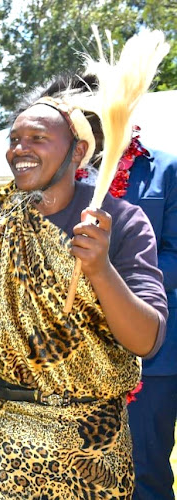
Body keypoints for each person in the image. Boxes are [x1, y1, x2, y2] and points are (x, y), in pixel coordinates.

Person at [0, 76, 168, 497]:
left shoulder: (122, 221)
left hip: (96, 446)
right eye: (14, 139)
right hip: (8, 440)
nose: (19, 149)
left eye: (37, 138)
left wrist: (100, 271)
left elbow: (146, 340)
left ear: (77, 150)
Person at [119, 138, 177, 498]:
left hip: (150, 359)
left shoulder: (165, 169)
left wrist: (114, 284)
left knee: (144, 474)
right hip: (72, 357)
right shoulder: (60, 168)